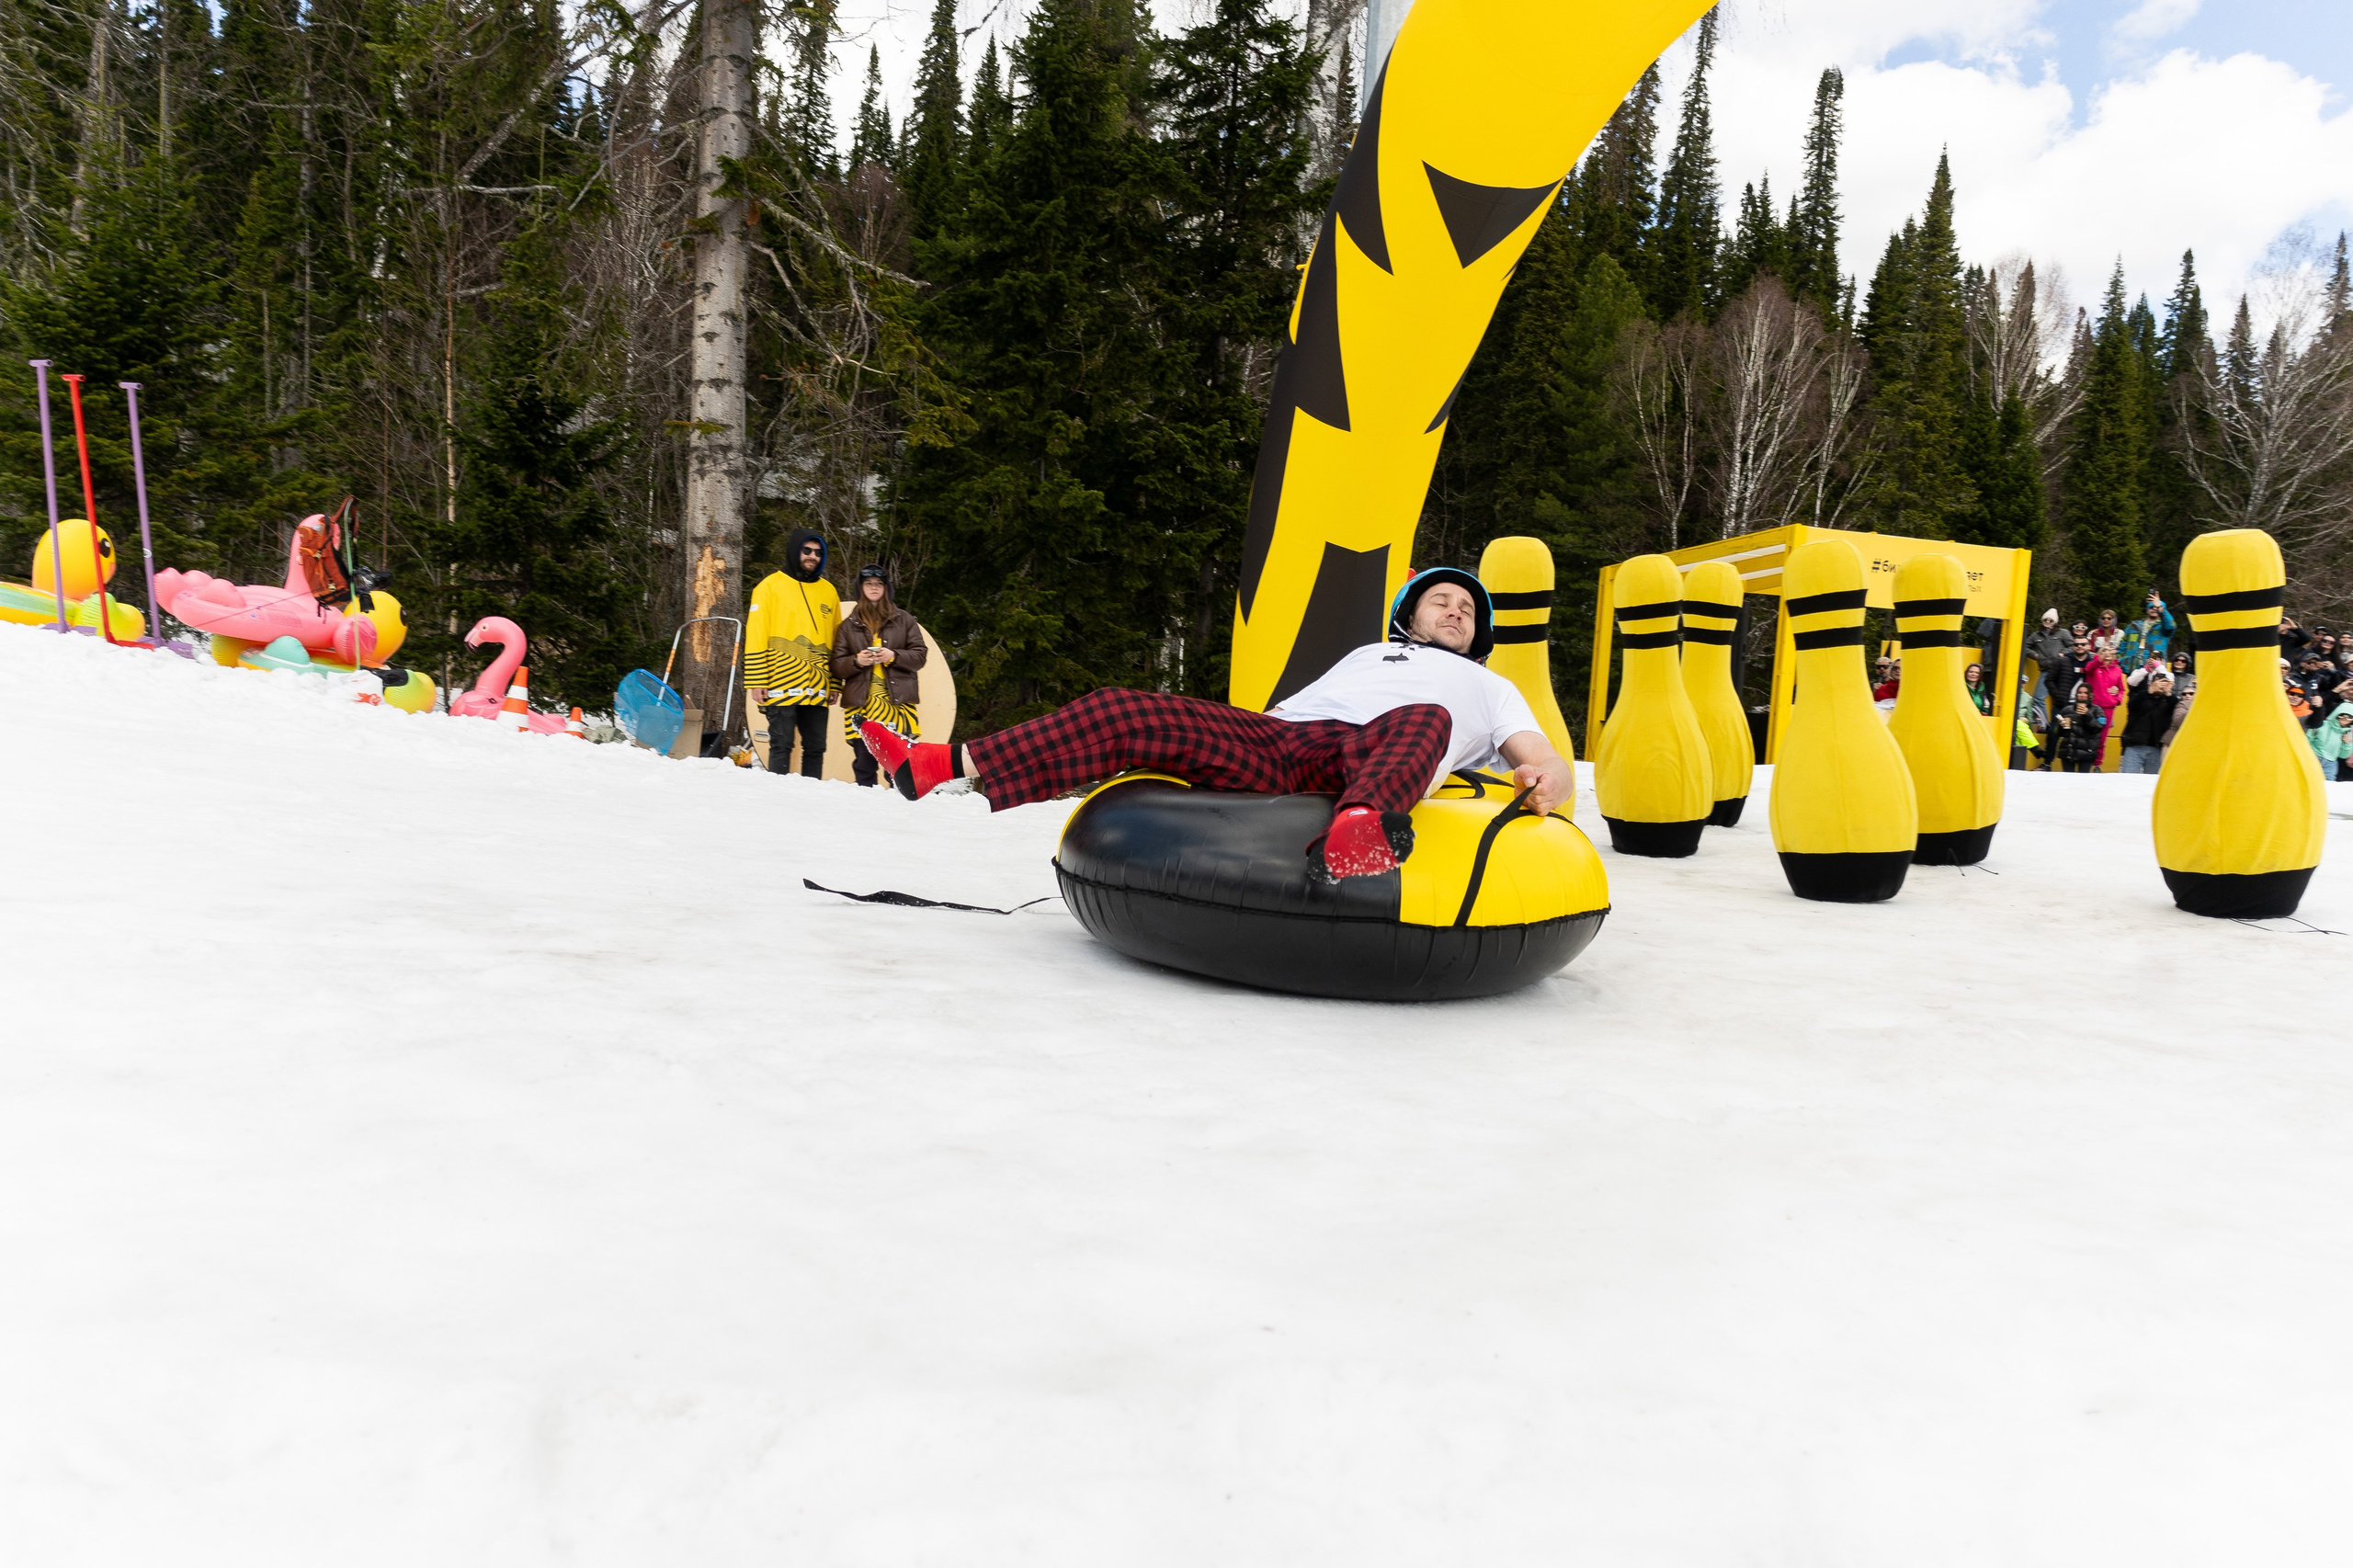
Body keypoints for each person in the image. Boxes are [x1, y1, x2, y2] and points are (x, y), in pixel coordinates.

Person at [856, 568, 1574, 881]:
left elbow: (1541, 753)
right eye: (1440, 601)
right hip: (1286, 741)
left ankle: (1362, 830)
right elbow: (1291, 715)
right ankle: (936, 767)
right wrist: (1234, 738)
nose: (1454, 611)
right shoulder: (1365, 652)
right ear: (1409, 614)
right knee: (1120, 706)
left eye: (1466, 610)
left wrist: (1548, 779)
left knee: (1427, 716)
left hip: (1385, 748)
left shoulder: (1489, 684)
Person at [745, 530, 840, 778]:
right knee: (781, 745)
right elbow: (756, 635)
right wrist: (757, 681)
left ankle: (811, 800)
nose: (813, 556)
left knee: (816, 748)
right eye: (807, 550)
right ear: (794, 550)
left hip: (819, 684)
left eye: (818, 553)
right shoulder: (768, 587)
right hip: (779, 681)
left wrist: (836, 683)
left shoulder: (829, 591)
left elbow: (838, 640)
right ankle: (778, 799)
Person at [831, 564, 929, 788]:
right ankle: (866, 811)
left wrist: (893, 655)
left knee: (898, 764)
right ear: (861, 588)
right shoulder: (847, 626)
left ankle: (898, 808)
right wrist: (857, 661)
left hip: (897, 705)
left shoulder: (904, 620)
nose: (874, 588)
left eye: (879, 584)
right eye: (869, 584)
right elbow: (836, 666)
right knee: (864, 764)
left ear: (886, 588)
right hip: (861, 705)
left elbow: (920, 656)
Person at [2117, 672, 2177, 775]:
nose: (2160, 685)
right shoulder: (2141, 696)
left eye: (2164, 682)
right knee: (2127, 780)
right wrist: (2149, 691)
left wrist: (2168, 693)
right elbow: (2132, 705)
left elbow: (2176, 710)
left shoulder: (2169, 701)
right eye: (2158, 682)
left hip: (2156, 748)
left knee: (2151, 782)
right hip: (2135, 746)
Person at [2049, 692, 2105, 772]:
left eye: (2085, 692)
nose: (2082, 695)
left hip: (2086, 753)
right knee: (2068, 780)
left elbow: (2098, 728)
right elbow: (2057, 732)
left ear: (2091, 695)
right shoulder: (2066, 710)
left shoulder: (2097, 710)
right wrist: (2061, 725)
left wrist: (2087, 715)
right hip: (2068, 752)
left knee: (2083, 781)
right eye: (2079, 692)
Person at [2117, 593, 2174, 669]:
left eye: (2156, 608)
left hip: (2154, 668)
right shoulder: (2133, 625)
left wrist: (2160, 607)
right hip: (2132, 668)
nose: (2154, 609)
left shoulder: (2164, 627)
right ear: (2147, 610)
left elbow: (2171, 626)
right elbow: (2123, 644)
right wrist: (2122, 660)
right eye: (2151, 607)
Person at [2159, 675, 2195, 767]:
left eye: (2191, 693)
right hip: (2171, 744)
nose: (2187, 696)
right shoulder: (2181, 704)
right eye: (2184, 694)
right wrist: (2194, 710)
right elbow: (2178, 721)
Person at [2314, 699, 2353, 781]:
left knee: (2329, 786)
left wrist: (2347, 744)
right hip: (2314, 757)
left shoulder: (2347, 733)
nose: (2345, 719)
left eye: (2349, 717)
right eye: (2342, 715)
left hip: (2331, 762)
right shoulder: (2323, 725)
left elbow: (2343, 755)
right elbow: (2308, 739)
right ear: (2337, 714)